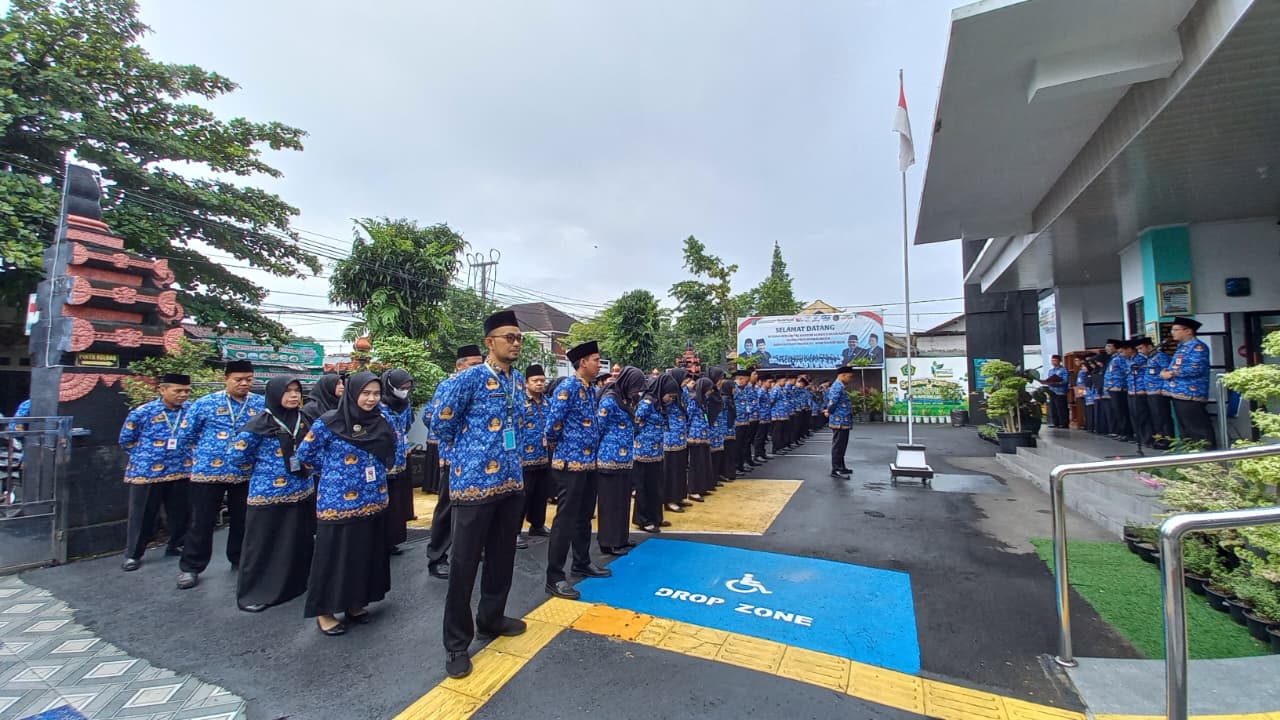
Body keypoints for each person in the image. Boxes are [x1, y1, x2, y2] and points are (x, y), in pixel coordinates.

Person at [431, 310, 529, 679]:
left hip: (510, 482)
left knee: (502, 557)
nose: (515, 343)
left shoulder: (517, 380)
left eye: (519, 338)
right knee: (464, 565)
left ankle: (491, 617)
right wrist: (468, 454)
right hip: (473, 485)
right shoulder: (469, 378)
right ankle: (457, 642)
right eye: (509, 337)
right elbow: (441, 422)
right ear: (490, 342)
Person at [296, 372, 394, 637]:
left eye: (376, 393)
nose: (371, 399)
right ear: (352, 393)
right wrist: (333, 474)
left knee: (363, 554)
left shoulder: (381, 420)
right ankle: (325, 612)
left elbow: (390, 450)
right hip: (337, 502)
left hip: (373, 498)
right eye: (366, 393)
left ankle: (355, 603)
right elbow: (305, 454)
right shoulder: (329, 422)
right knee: (334, 557)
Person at [175, 360, 265, 590]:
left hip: (244, 472)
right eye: (239, 379)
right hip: (208, 472)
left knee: (243, 520)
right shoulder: (205, 404)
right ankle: (191, 567)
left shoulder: (260, 405)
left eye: (248, 379)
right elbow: (186, 435)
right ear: (226, 379)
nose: (244, 384)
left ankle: (239, 558)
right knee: (201, 521)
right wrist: (207, 452)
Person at [229, 376, 314, 612]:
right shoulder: (260, 423)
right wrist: (265, 469)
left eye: (297, 391)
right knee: (264, 544)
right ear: (275, 395)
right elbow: (237, 457)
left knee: (297, 541)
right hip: (269, 494)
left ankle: (295, 585)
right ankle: (255, 593)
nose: (294, 396)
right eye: (288, 392)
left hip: (301, 491)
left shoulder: (305, 419)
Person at [544, 340, 610, 601]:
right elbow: (552, 425)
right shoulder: (569, 387)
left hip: (588, 463)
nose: (599, 364)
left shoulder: (590, 389)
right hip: (570, 464)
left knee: (584, 516)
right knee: (566, 520)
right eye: (596, 359)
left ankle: (581, 562)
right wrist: (567, 446)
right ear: (582, 363)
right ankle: (554, 577)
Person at [118, 373, 193, 572]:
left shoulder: (191, 410)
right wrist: (144, 456)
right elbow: (126, 439)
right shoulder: (143, 412)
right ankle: (133, 554)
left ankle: (177, 544)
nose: (183, 395)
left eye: (186, 391)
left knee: (181, 512)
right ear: (162, 390)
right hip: (147, 472)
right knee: (142, 514)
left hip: (182, 468)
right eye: (178, 391)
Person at [425, 345, 485, 580]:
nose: (478, 369)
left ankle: (471, 549)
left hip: (478, 461)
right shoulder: (449, 386)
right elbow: (431, 416)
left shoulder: (484, 384)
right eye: (473, 365)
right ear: (460, 366)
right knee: (447, 508)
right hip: (454, 458)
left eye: (480, 364)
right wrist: (456, 437)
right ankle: (437, 556)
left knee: (476, 509)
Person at [597, 366, 646, 555]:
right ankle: (608, 542)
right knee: (610, 503)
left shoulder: (627, 399)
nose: (637, 391)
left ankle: (621, 538)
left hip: (625, 458)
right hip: (609, 459)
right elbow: (599, 427)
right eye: (635, 386)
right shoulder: (610, 400)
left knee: (623, 501)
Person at [1161, 316, 1215, 448]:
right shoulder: (1182, 347)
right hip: (1178, 392)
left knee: (1197, 428)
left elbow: (1195, 369)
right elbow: (1176, 366)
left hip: (1191, 393)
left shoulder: (1197, 347)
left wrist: (1172, 373)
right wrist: (1165, 372)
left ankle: (1207, 458)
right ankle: (1191, 457)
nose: (1172, 332)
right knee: (1185, 429)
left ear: (1188, 331)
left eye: (1176, 329)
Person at [380, 369, 415, 556]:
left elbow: (408, 425)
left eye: (407, 388)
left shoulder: (405, 404)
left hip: (401, 459)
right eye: (401, 387)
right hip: (382, 461)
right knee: (383, 503)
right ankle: (379, 542)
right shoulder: (378, 405)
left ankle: (392, 540)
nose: (404, 391)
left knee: (396, 504)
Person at [631, 373, 672, 534]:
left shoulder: (660, 405)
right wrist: (642, 440)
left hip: (656, 451)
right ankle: (643, 520)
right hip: (644, 452)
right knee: (643, 487)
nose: (670, 399)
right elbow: (637, 423)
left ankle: (656, 517)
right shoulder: (647, 403)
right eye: (669, 395)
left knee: (656, 486)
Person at [518, 364, 551, 548]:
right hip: (524, 457)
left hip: (544, 456)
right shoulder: (520, 402)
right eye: (535, 381)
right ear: (526, 383)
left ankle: (537, 525)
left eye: (542, 381)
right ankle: (514, 531)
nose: (539, 384)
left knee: (541, 493)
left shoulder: (547, 402)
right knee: (523, 495)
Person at [662, 367, 692, 515]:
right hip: (670, 436)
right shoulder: (669, 392)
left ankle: (680, 495)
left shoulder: (683, 392)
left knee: (681, 468)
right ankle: (670, 500)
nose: (687, 382)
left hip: (681, 435)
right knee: (671, 470)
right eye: (685, 379)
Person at [686, 377, 719, 502]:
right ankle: (693, 490)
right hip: (695, 437)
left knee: (704, 463)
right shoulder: (694, 400)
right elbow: (688, 417)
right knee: (696, 464)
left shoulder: (704, 401)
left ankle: (702, 487)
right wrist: (688, 433)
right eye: (709, 389)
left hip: (704, 436)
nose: (711, 391)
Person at [1145, 338, 1176, 448]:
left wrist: (1163, 388)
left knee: (1163, 417)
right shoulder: (1150, 358)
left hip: (1159, 391)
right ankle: (1160, 438)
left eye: (1141, 348)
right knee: (1156, 417)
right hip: (1151, 391)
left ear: (1149, 347)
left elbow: (1166, 372)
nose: (1140, 351)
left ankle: (1168, 440)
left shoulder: (1160, 356)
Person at [825, 367, 855, 478]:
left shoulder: (841, 386)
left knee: (842, 445)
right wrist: (829, 411)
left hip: (844, 420)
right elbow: (832, 402)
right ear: (842, 375)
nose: (850, 379)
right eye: (849, 376)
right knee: (838, 445)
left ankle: (841, 466)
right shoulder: (837, 386)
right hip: (839, 420)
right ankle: (836, 469)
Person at [1104, 341, 1134, 442]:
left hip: (1119, 388)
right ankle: (1122, 432)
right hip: (1112, 388)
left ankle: (1127, 433)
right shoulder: (1113, 359)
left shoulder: (1121, 358)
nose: (1106, 348)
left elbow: (1127, 371)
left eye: (1109, 346)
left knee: (1122, 412)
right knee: (1118, 412)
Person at [1126, 338, 1151, 447]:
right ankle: (1139, 437)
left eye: (1140, 348)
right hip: (1133, 389)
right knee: (1135, 416)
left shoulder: (1140, 359)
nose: (1139, 351)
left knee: (1142, 416)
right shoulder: (1132, 359)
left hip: (1140, 390)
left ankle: (1146, 438)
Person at [732, 370, 753, 473]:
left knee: (743, 444)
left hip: (744, 420)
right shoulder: (734, 389)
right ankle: (736, 466)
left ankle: (741, 465)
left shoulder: (743, 390)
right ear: (740, 379)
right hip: (737, 421)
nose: (747, 382)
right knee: (737, 446)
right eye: (745, 380)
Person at [718, 376, 737, 482]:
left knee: (731, 452)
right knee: (727, 452)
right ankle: (726, 473)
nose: (734, 390)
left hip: (730, 429)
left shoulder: (730, 398)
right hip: (725, 429)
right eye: (733, 387)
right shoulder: (724, 399)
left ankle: (730, 472)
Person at [1044, 355, 1070, 429]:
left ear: (1059, 361)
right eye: (1052, 360)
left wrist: (1057, 383)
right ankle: (1056, 423)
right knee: (1054, 409)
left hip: (1060, 392)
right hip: (1052, 391)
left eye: (1055, 360)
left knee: (1061, 408)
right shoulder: (1051, 371)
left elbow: (1065, 381)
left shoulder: (1063, 370)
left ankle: (1063, 423)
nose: (1053, 362)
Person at [754, 376, 775, 461]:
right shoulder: (761, 392)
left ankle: (762, 453)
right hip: (762, 417)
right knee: (759, 437)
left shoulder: (766, 392)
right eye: (769, 382)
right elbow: (757, 404)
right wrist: (759, 416)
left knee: (764, 437)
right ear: (763, 382)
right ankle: (757, 454)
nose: (770, 384)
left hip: (766, 416)